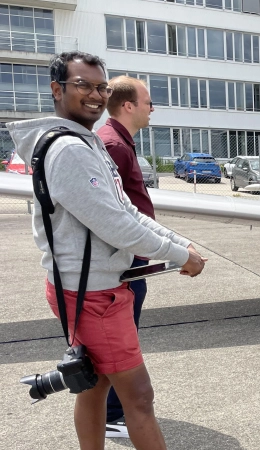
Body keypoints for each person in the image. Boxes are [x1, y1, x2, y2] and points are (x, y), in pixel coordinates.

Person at [7, 51, 206, 450]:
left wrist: (177, 243)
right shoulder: (70, 150)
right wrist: (180, 256)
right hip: (93, 294)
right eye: (83, 84)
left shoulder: (88, 142)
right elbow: (117, 226)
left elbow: (125, 209)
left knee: (92, 384)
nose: (95, 94)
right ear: (57, 89)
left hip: (89, 286)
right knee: (140, 397)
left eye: (101, 87)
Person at [96, 75, 156, 438]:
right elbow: (116, 213)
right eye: (148, 102)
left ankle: (112, 409)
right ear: (129, 105)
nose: (152, 109)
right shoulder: (114, 145)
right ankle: (115, 413)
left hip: (132, 255)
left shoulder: (118, 142)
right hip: (125, 260)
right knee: (120, 340)